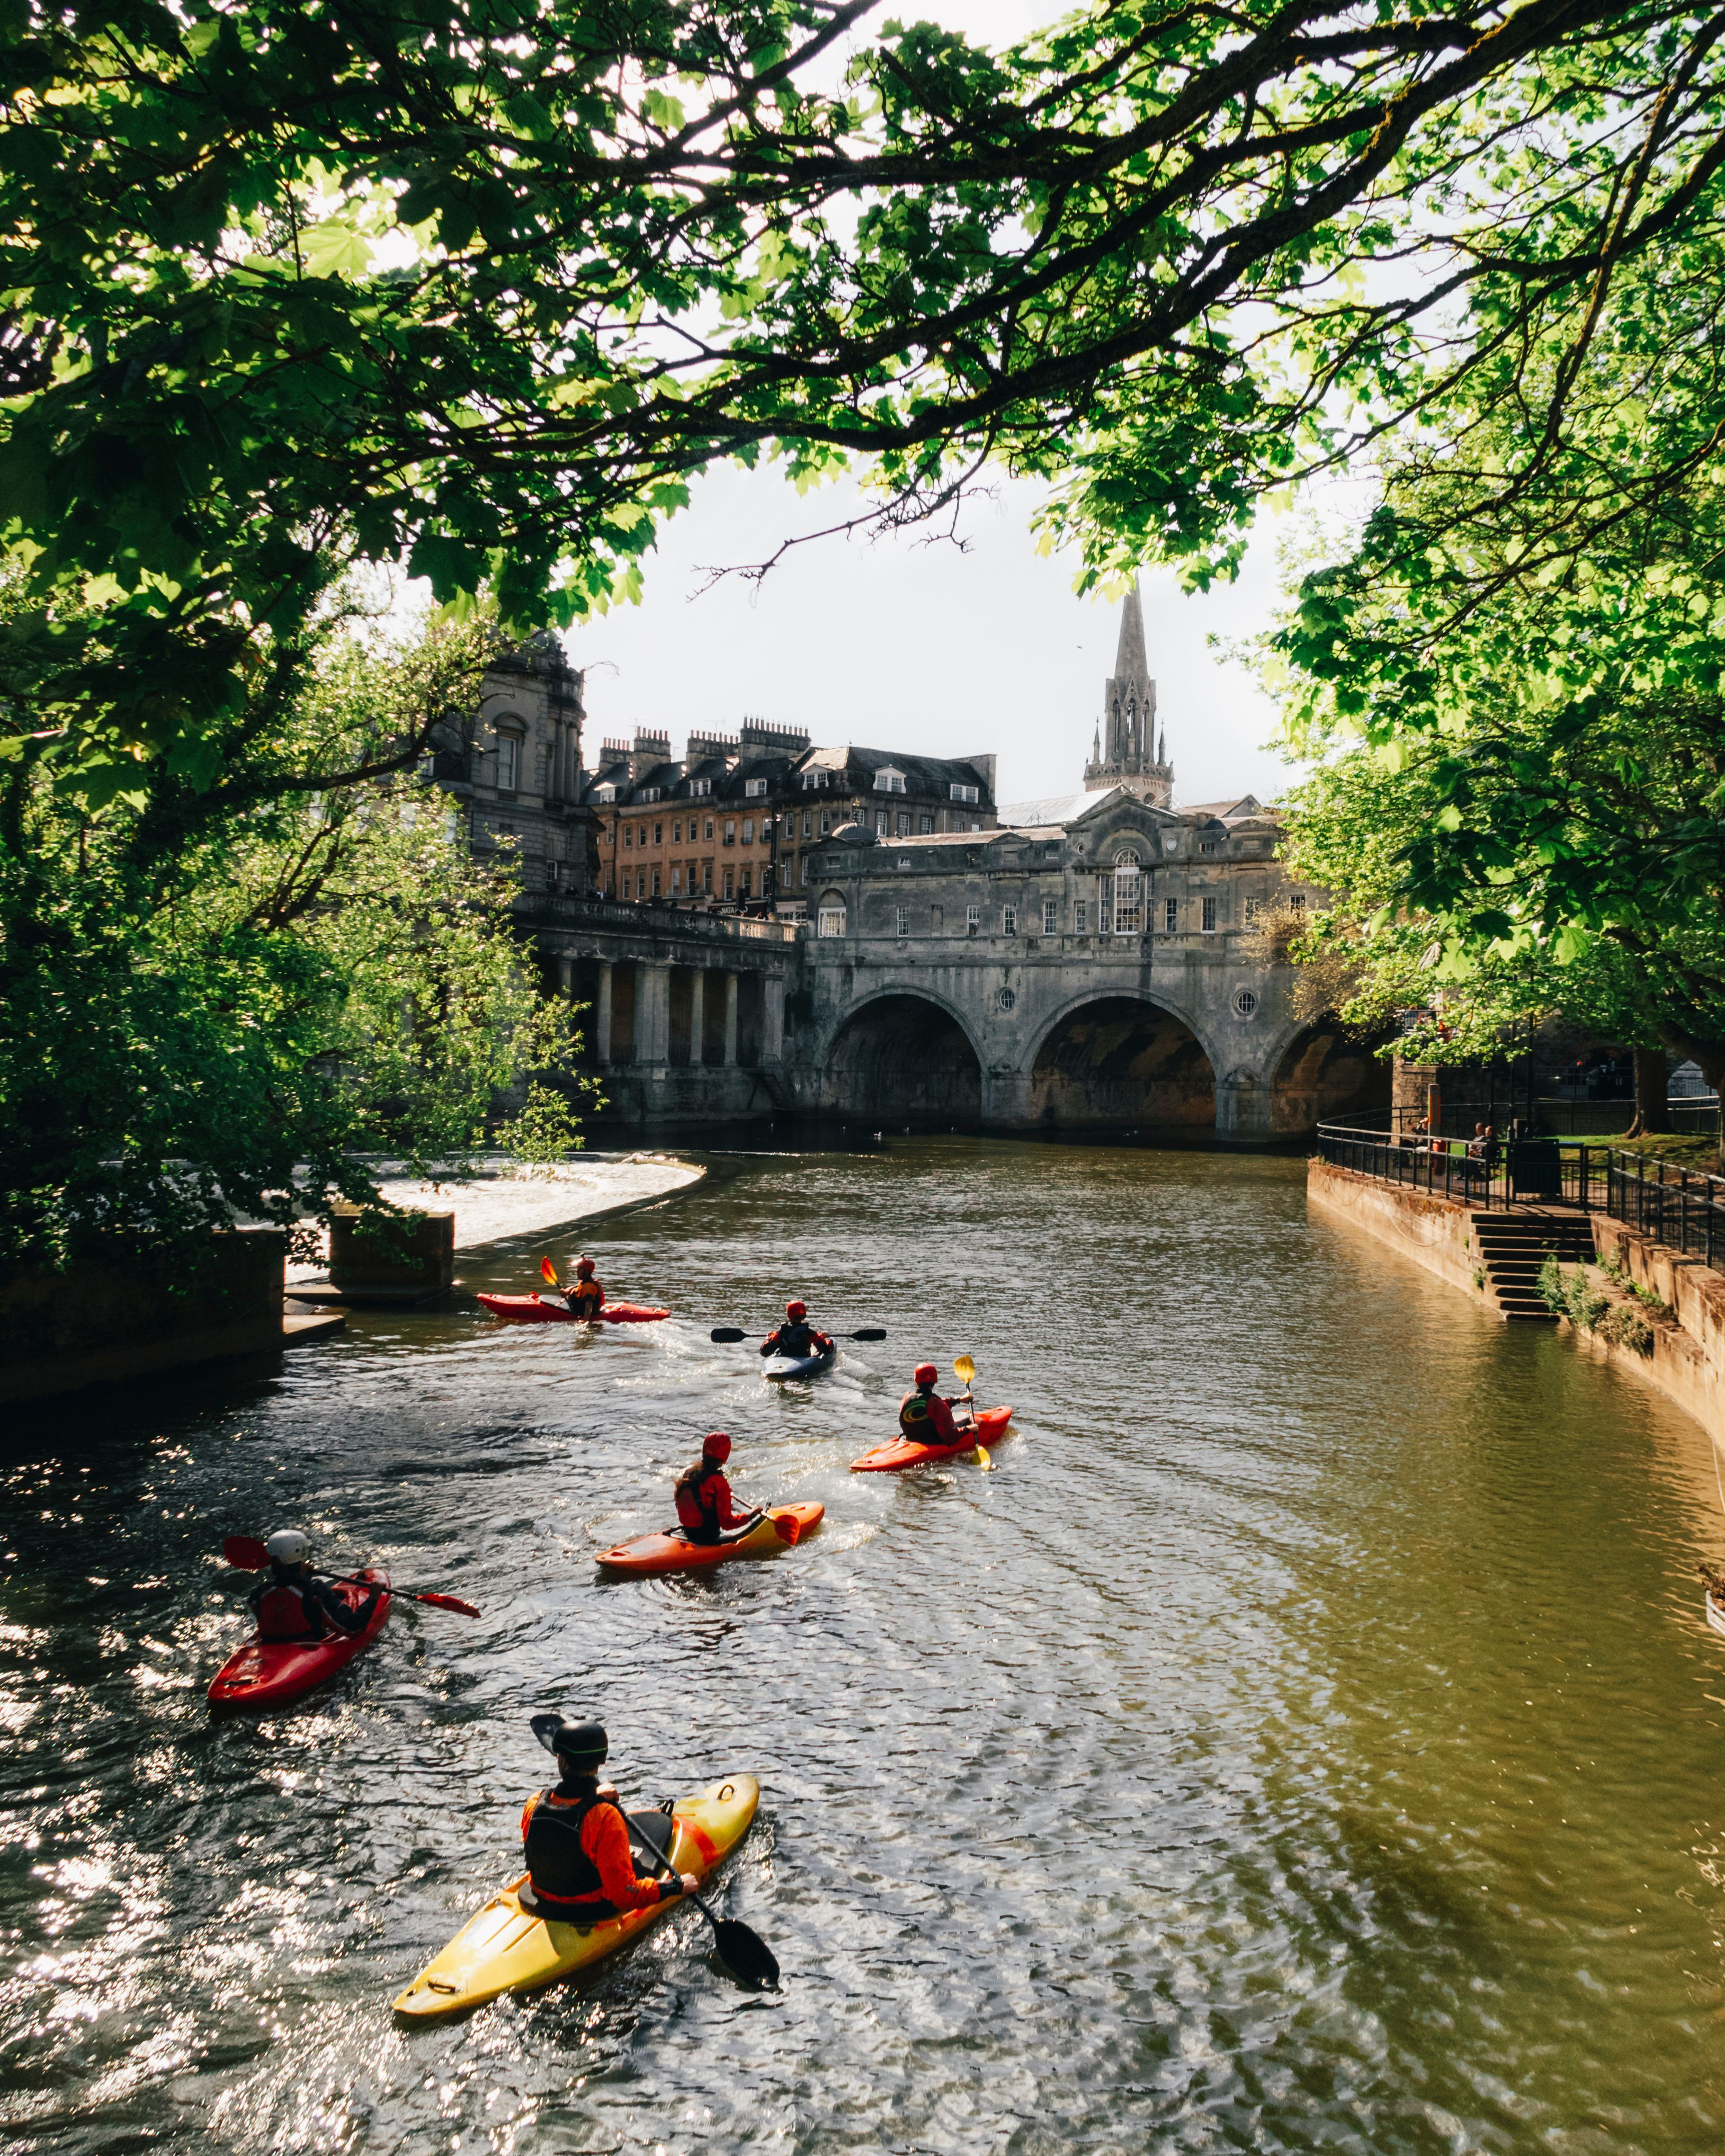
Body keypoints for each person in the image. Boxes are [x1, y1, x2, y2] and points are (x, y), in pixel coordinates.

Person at [519, 1717, 697, 1921]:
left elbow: (556, 1845)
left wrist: (592, 1797)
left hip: (541, 1899)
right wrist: (676, 1886)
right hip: (587, 1909)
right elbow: (624, 1895)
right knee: (637, 1865)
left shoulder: (533, 1804)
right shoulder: (604, 1817)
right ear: (599, 1763)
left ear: (561, 1760)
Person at [249, 1528, 383, 1641]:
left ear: (275, 1561)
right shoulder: (315, 1590)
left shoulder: (258, 1594)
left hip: (270, 1650)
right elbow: (353, 1628)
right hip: (307, 1649)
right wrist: (373, 1598)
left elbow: (287, 1605)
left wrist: (303, 1576)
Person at [673, 1433, 763, 1547]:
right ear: (726, 1455)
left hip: (688, 1532)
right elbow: (727, 1524)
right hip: (708, 1538)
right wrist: (752, 1515)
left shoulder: (690, 1473)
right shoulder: (719, 1482)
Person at [898, 1362, 975, 1449]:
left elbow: (927, 1405)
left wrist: (958, 1400)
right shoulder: (936, 1403)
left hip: (908, 1439)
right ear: (935, 1381)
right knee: (965, 1420)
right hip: (931, 1443)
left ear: (916, 1380)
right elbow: (949, 1437)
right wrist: (968, 1429)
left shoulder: (906, 1397)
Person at [759, 1298, 832, 1361]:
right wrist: (826, 1338)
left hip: (785, 1361)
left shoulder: (781, 1332)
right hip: (803, 1361)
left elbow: (764, 1353)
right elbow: (827, 1351)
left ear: (789, 1315)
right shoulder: (809, 1333)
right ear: (804, 1315)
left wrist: (769, 1338)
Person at [560, 1255, 604, 1319]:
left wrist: (586, 1322)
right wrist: (566, 1291)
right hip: (575, 1310)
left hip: (582, 1314)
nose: (577, 1271)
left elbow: (589, 1304)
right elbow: (576, 1287)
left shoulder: (588, 1286)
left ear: (587, 1272)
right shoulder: (584, 1282)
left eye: (580, 1269)